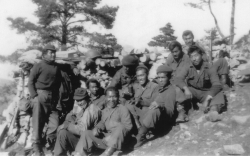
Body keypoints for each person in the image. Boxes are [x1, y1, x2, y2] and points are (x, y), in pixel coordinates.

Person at [74, 87, 133, 156]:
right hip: (107, 140)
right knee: (86, 133)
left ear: (118, 97)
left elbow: (128, 127)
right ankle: (79, 153)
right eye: (109, 97)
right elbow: (102, 123)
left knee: (121, 127)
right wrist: (97, 128)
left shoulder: (123, 109)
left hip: (120, 141)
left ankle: (108, 153)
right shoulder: (105, 111)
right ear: (105, 98)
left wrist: (112, 136)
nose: (111, 100)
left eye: (114, 97)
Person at [28, 44, 61, 156]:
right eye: (50, 52)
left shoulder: (56, 66)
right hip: (40, 95)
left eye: (54, 52)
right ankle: (36, 146)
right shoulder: (38, 65)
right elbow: (31, 81)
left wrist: (74, 67)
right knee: (37, 122)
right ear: (44, 55)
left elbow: (67, 67)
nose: (53, 54)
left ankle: (47, 144)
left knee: (54, 123)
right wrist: (34, 96)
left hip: (52, 97)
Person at [176, 45, 225, 121]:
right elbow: (178, 79)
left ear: (201, 55)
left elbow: (216, 85)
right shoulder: (188, 66)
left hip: (207, 92)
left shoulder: (209, 66)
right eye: (191, 57)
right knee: (179, 89)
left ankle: (213, 111)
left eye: (196, 56)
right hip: (193, 92)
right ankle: (182, 112)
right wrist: (186, 89)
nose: (194, 59)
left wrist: (207, 99)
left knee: (219, 93)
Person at [53, 88, 102, 156]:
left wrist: (67, 126)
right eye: (77, 100)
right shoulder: (84, 107)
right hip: (83, 140)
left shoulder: (91, 109)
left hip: (90, 143)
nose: (79, 103)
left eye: (81, 100)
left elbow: (82, 130)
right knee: (63, 132)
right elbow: (73, 119)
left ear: (87, 98)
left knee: (63, 132)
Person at [125, 64, 159, 149]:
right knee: (127, 105)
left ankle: (141, 135)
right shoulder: (137, 87)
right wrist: (133, 100)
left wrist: (141, 102)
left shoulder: (154, 86)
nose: (140, 78)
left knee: (152, 110)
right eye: (138, 76)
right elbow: (133, 97)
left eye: (142, 75)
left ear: (147, 74)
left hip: (148, 114)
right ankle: (136, 128)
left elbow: (156, 102)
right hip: (139, 116)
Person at [165, 41, 192, 122]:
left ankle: (182, 112)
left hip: (184, 81)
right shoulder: (170, 58)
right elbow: (166, 71)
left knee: (177, 88)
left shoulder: (186, 58)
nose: (174, 54)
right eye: (172, 52)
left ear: (181, 50)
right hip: (172, 81)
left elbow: (188, 74)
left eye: (176, 51)